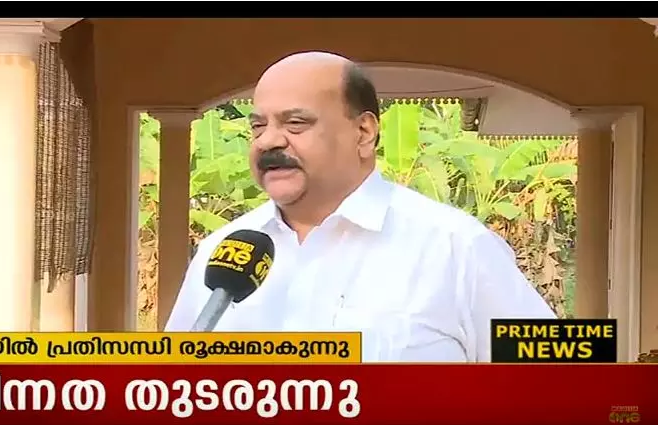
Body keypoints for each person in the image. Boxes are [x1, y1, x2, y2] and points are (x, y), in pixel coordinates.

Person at [165, 51, 556, 362]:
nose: (268, 141)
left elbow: (557, 381)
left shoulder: (456, 247)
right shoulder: (221, 253)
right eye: (258, 126)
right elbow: (175, 387)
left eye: (295, 123)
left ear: (364, 132)